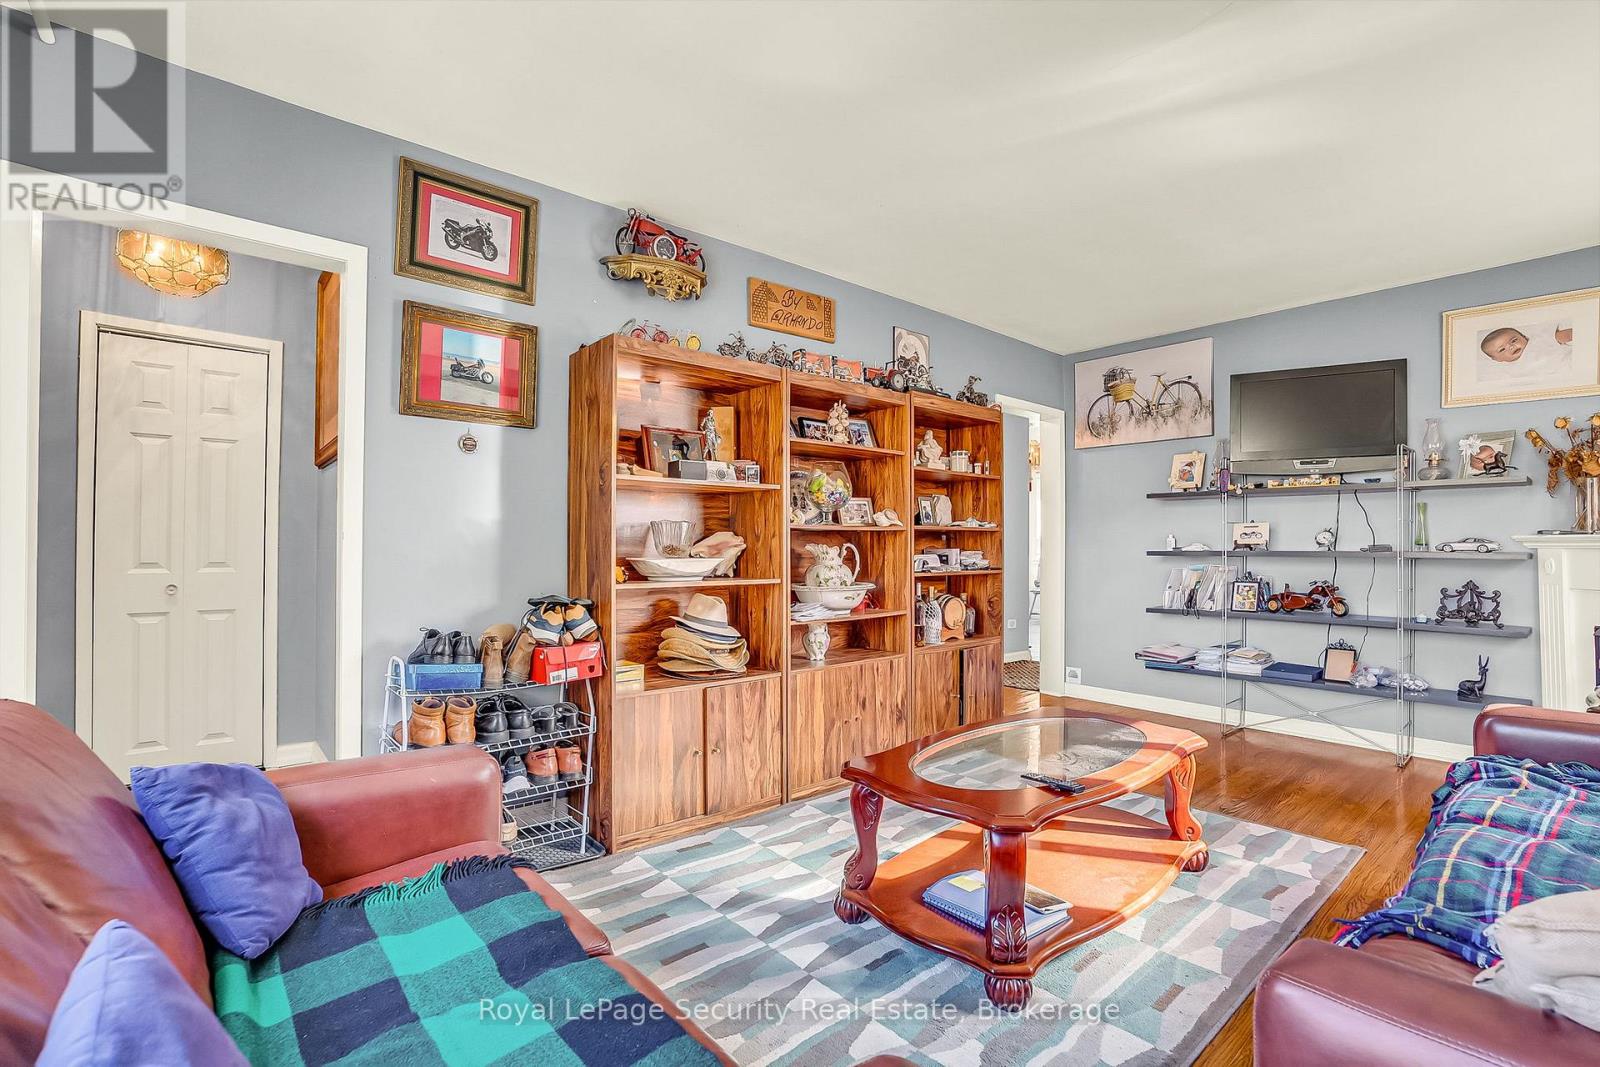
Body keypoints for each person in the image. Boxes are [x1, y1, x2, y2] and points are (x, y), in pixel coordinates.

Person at [1479, 322, 1574, 381]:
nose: (1511, 347)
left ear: (1524, 337)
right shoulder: (1508, 372)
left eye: (1513, 340)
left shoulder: (1536, 342)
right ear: (1497, 359)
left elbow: (1565, 335)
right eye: (1502, 349)